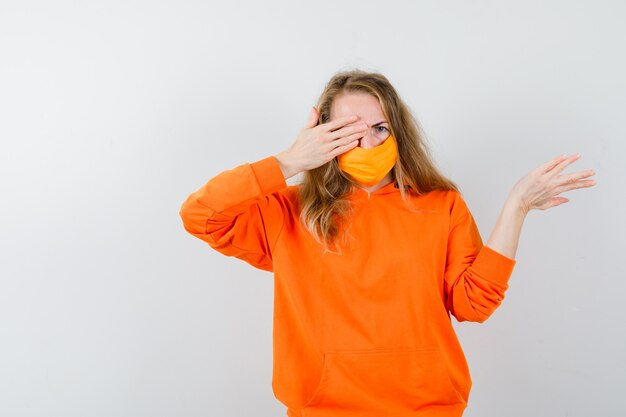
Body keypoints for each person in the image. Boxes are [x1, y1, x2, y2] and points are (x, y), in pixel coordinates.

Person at [179, 69, 596, 417]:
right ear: (322, 134)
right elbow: (200, 215)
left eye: (380, 128)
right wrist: (288, 162)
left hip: (429, 407)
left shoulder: (441, 204)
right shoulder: (289, 210)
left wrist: (517, 205)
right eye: (348, 130)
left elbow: (473, 304)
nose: (369, 143)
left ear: (398, 130)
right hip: (322, 409)